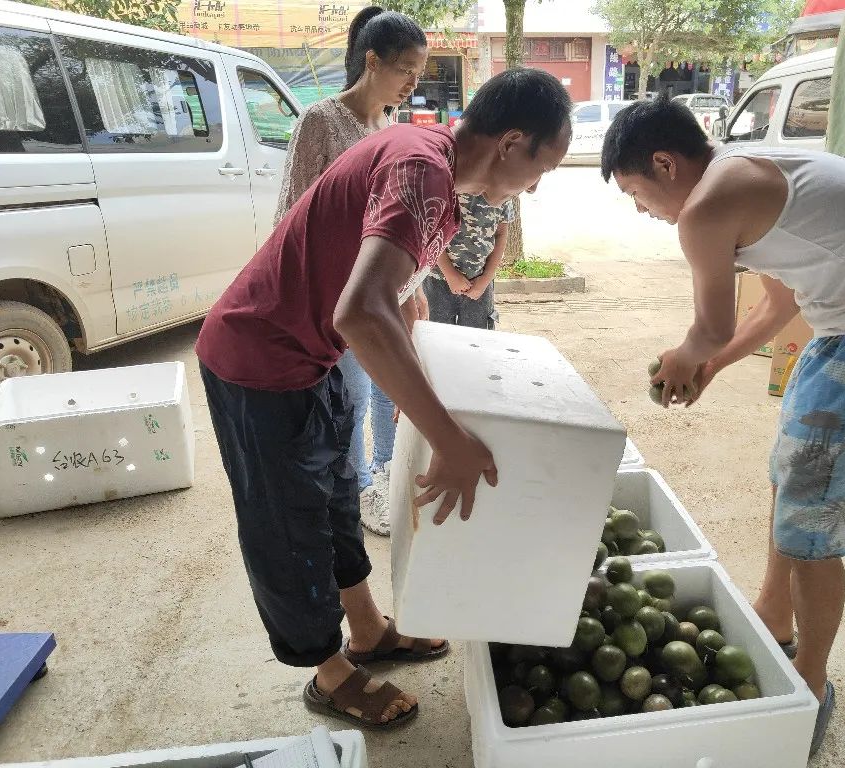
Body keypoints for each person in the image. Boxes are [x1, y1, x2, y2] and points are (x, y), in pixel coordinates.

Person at [195, 68, 573, 730]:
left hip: (315, 356)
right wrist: (451, 440)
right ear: (513, 142)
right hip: (260, 357)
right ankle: (328, 671)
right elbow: (361, 312)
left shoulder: (433, 170)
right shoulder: (422, 169)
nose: (536, 187)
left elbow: (395, 294)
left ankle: (367, 631)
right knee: (289, 524)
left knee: (338, 495)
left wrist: (415, 368)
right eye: (542, 168)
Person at [600, 96, 845, 755]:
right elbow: (777, 305)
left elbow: (709, 326)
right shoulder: (741, 175)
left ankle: (810, 683)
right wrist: (713, 367)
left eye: (634, 192)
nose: (641, 210)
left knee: (812, 525)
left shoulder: (709, 204)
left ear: (663, 162)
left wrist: (689, 356)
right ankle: (774, 615)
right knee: (789, 481)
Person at [274, 6, 429, 537]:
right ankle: (355, 491)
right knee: (352, 399)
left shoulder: (388, 125)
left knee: (390, 389)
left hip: (384, 294)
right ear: (371, 60)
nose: (413, 83)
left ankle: (382, 478)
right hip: (338, 302)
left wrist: (412, 288)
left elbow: (396, 225)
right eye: (405, 70)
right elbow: (292, 216)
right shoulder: (320, 122)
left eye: (418, 74)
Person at [422, 193, 513, 330]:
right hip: (437, 280)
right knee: (437, 337)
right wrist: (450, 274)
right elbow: (431, 230)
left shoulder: (504, 190)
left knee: (478, 341)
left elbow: (501, 234)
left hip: (480, 283)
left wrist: (485, 279)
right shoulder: (445, 185)